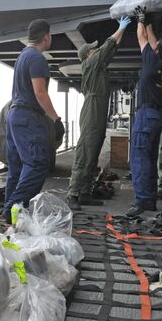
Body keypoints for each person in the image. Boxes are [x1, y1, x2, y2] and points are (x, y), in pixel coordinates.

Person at [66, 16, 132, 210]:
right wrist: (120, 28)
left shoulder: (98, 66)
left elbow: (110, 50)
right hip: (92, 108)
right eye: (92, 48)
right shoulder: (90, 64)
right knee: (85, 152)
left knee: (93, 152)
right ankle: (73, 193)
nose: (95, 49)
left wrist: (123, 31)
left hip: (98, 107)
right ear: (88, 54)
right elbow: (106, 47)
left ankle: (85, 193)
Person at [3, 19, 65, 222]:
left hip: (14, 116)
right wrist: (56, 120)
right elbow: (40, 92)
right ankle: (14, 209)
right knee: (37, 163)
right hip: (28, 117)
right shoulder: (37, 58)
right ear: (46, 36)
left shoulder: (22, 56)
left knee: (17, 168)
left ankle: (10, 214)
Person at [126, 6, 162, 217]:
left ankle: (140, 201)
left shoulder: (150, 59)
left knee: (139, 158)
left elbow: (141, 38)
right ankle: (150, 201)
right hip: (158, 118)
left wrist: (140, 19)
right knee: (151, 158)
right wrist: (148, 23)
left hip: (145, 116)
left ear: (156, 50)